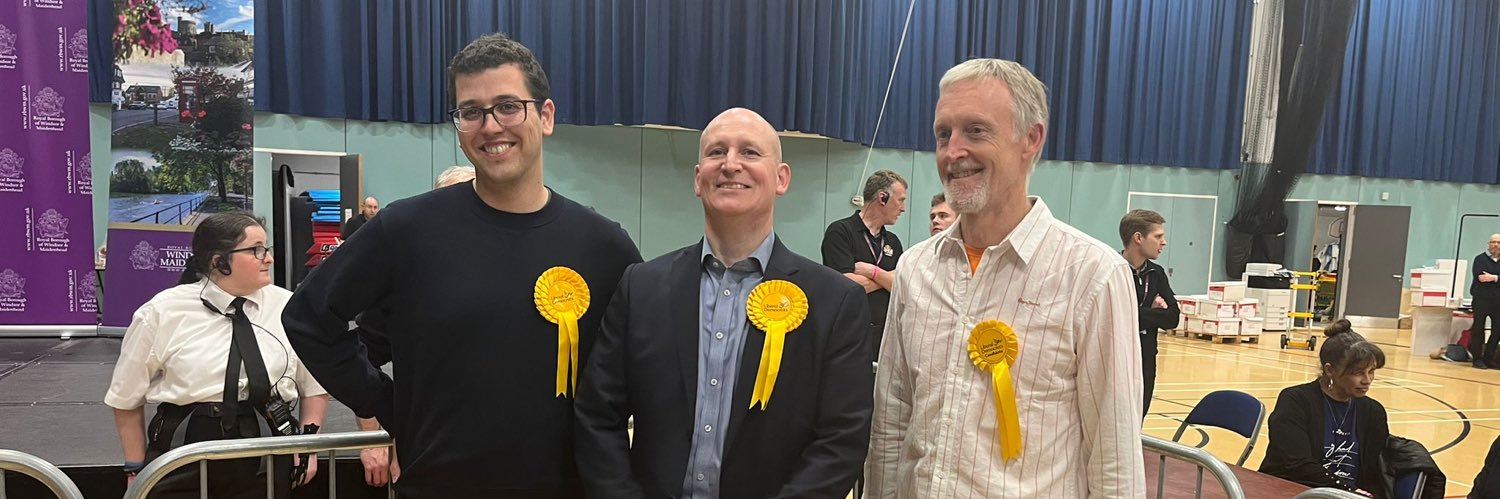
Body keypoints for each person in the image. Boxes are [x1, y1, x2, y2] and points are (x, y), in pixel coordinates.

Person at [282, 33, 642, 498]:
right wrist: (388, 403)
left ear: (546, 116)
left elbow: (646, 365)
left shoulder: (602, 244)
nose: (491, 126)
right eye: (471, 111)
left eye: (509, 106)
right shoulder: (405, 229)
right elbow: (308, 318)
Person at [864, 58, 1144, 497]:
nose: (953, 152)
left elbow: (1115, 460)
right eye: (944, 134)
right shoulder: (917, 268)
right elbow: (892, 423)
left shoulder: (1092, 275)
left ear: (1030, 139)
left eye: (976, 130)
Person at [574, 108, 874, 499]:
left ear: (781, 178)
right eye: (717, 152)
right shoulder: (641, 288)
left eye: (750, 152)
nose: (731, 164)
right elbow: (598, 417)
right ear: (699, 180)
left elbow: (842, 439)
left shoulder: (835, 303)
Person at [105, 212, 328, 498]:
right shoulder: (163, 311)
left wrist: (306, 447)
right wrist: (135, 469)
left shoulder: (289, 308)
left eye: (266, 248)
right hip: (186, 447)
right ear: (218, 261)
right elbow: (125, 397)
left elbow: (314, 386)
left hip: (265, 445)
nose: (269, 258)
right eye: (256, 250)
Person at [1260, 319, 1390, 496]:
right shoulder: (1295, 401)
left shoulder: (1373, 411)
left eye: (1371, 371)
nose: (1367, 380)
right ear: (1330, 370)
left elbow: (1374, 470)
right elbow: (1299, 465)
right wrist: (1347, 491)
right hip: (1295, 490)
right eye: (1358, 372)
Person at [821, 170, 907, 357]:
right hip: (847, 335)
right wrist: (886, 278)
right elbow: (847, 285)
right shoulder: (840, 232)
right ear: (882, 198)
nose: (903, 208)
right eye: (900, 200)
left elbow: (900, 286)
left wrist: (872, 271)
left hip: (884, 340)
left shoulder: (893, 241)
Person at [1119, 209, 1178, 415]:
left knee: (1139, 417)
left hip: (1146, 358)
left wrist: (1137, 313)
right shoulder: (1112, 270)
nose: (1164, 243)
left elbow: (1172, 318)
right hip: (1118, 357)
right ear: (1138, 238)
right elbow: (1116, 317)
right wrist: (1152, 314)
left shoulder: (1157, 273)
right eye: (1158, 236)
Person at [1470, 234, 1500, 369]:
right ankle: (1477, 358)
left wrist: (1493, 278)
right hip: (1481, 299)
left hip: (1498, 301)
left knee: (1497, 330)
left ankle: (1489, 358)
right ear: (1488, 244)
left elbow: (1489, 278)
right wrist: (1497, 278)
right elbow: (1480, 277)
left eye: (1498, 242)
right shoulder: (1480, 259)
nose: (1496, 245)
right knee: (1478, 328)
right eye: (1493, 242)